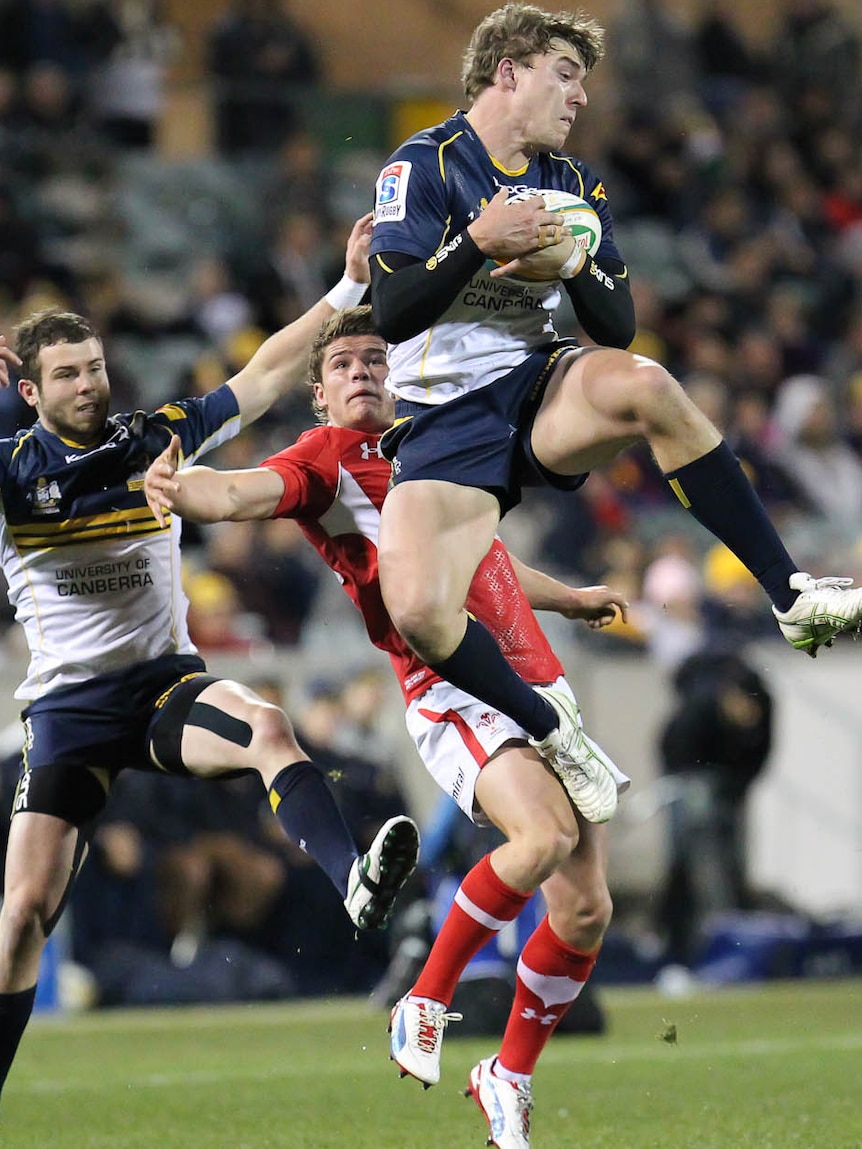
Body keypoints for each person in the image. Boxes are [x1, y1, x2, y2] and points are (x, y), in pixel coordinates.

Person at [366, 2, 862, 830]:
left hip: (535, 381)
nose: (581, 98)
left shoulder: (570, 181)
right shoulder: (425, 165)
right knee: (416, 610)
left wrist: (576, 259)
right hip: (442, 416)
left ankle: (791, 592)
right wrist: (478, 243)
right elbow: (392, 309)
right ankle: (554, 728)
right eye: (566, 75)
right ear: (509, 72)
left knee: (648, 383)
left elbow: (619, 322)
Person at [145, 305, 630, 1149]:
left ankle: (506, 1076)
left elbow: (487, 555)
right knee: (542, 836)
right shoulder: (323, 462)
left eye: (377, 357)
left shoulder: (432, 447)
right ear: (322, 394)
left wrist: (571, 595)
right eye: (345, 365)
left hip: (534, 672)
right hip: (451, 686)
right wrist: (177, 487)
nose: (365, 371)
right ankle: (427, 994)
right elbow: (236, 492)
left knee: (586, 908)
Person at [0, 217, 420, 1115]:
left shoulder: (155, 436)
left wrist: (345, 290)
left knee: (269, 725)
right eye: (67, 373)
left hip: (161, 686)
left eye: (95, 365)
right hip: (69, 709)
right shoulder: (8, 475)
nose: (89, 383)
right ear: (31, 389)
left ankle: (353, 878)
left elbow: (265, 374)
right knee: (21, 920)